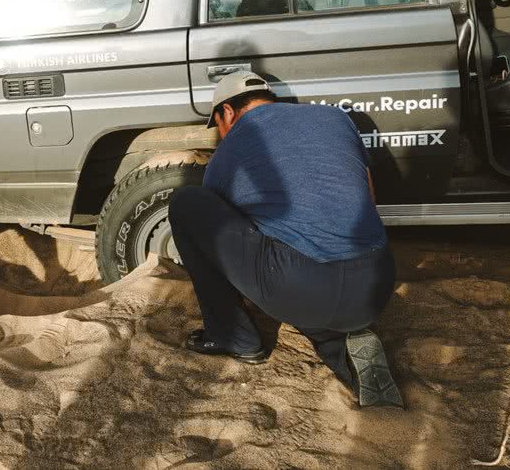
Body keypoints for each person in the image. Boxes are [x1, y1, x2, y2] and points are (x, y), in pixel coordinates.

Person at [168, 71, 402, 407]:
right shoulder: (335, 117)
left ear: (228, 113)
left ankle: (235, 338)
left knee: (188, 203)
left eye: (217, 124)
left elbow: (223, 235)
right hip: (374, 284)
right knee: (311, 268)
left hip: (299, 285)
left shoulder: (231, 145)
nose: (220, 134)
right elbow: (368, 197)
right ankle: (341, 345)